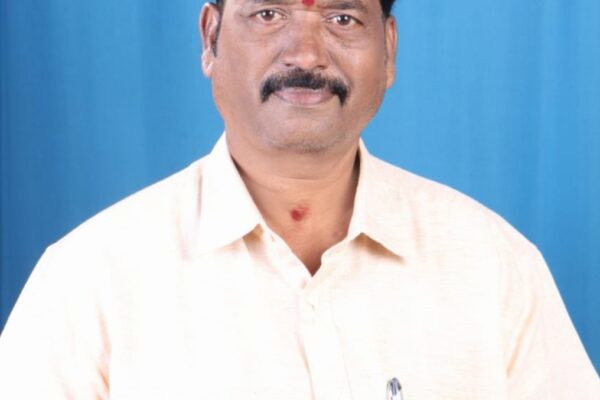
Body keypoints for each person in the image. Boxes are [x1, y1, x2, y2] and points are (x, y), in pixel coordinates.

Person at [0, 0, 598, 398]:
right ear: (210, 38)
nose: (306, 54)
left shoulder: (494, 266)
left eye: (342, 17)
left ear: (389, 48)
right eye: (268, 13)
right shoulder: (86, 281)